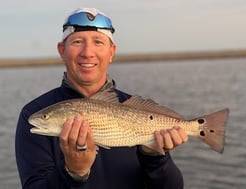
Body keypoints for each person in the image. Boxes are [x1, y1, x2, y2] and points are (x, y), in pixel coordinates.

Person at [15, 7, 188, 189]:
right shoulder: (32, 114)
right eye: (77, 42)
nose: (88, 52)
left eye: (98, 42)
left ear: (111, 52)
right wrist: (74, 172)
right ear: (61, 51)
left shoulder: (135, 108)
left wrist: (154, 157)